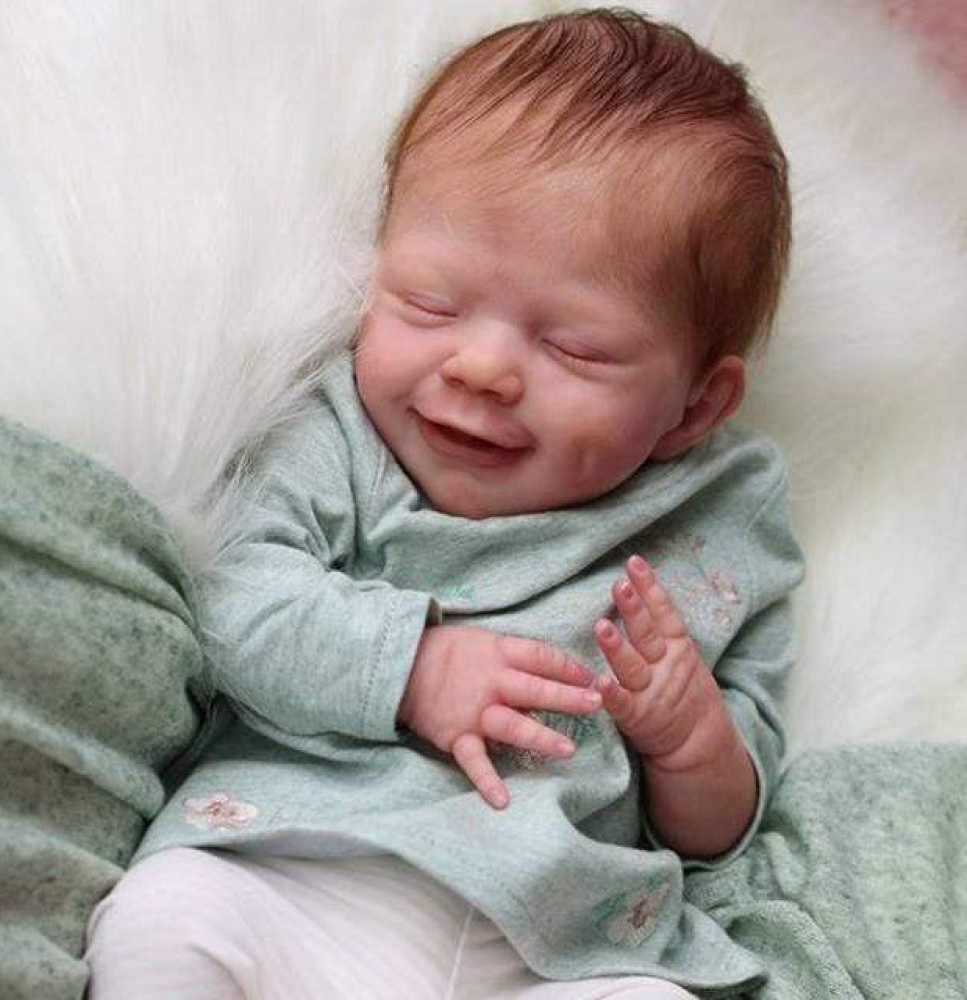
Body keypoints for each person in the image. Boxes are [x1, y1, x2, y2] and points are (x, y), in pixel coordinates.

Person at [85, 9, 803, 998]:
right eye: (429, 303)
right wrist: (410, 668)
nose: (481, 367)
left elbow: (724, 828)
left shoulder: (723, 515)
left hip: (561, 946)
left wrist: (691, 741)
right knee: (163, 922)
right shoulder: (341, 431)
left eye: (575, 349)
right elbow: (229, 599)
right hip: (296, 869)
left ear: (694, 405)